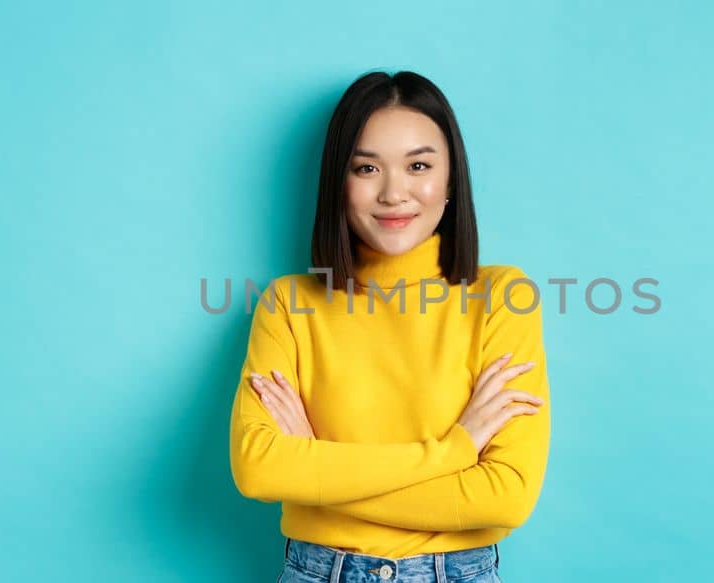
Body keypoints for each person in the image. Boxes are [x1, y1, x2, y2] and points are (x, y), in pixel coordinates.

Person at [228, 70, 551, 582]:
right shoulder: (289, 304)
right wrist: (455, 452)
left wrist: (318, 473)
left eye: (418, 165)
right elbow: (259, 469)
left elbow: (505, 496)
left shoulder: (502, 297)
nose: (393, 193)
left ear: (450, 181)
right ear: (340, 182)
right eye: (366, 168)